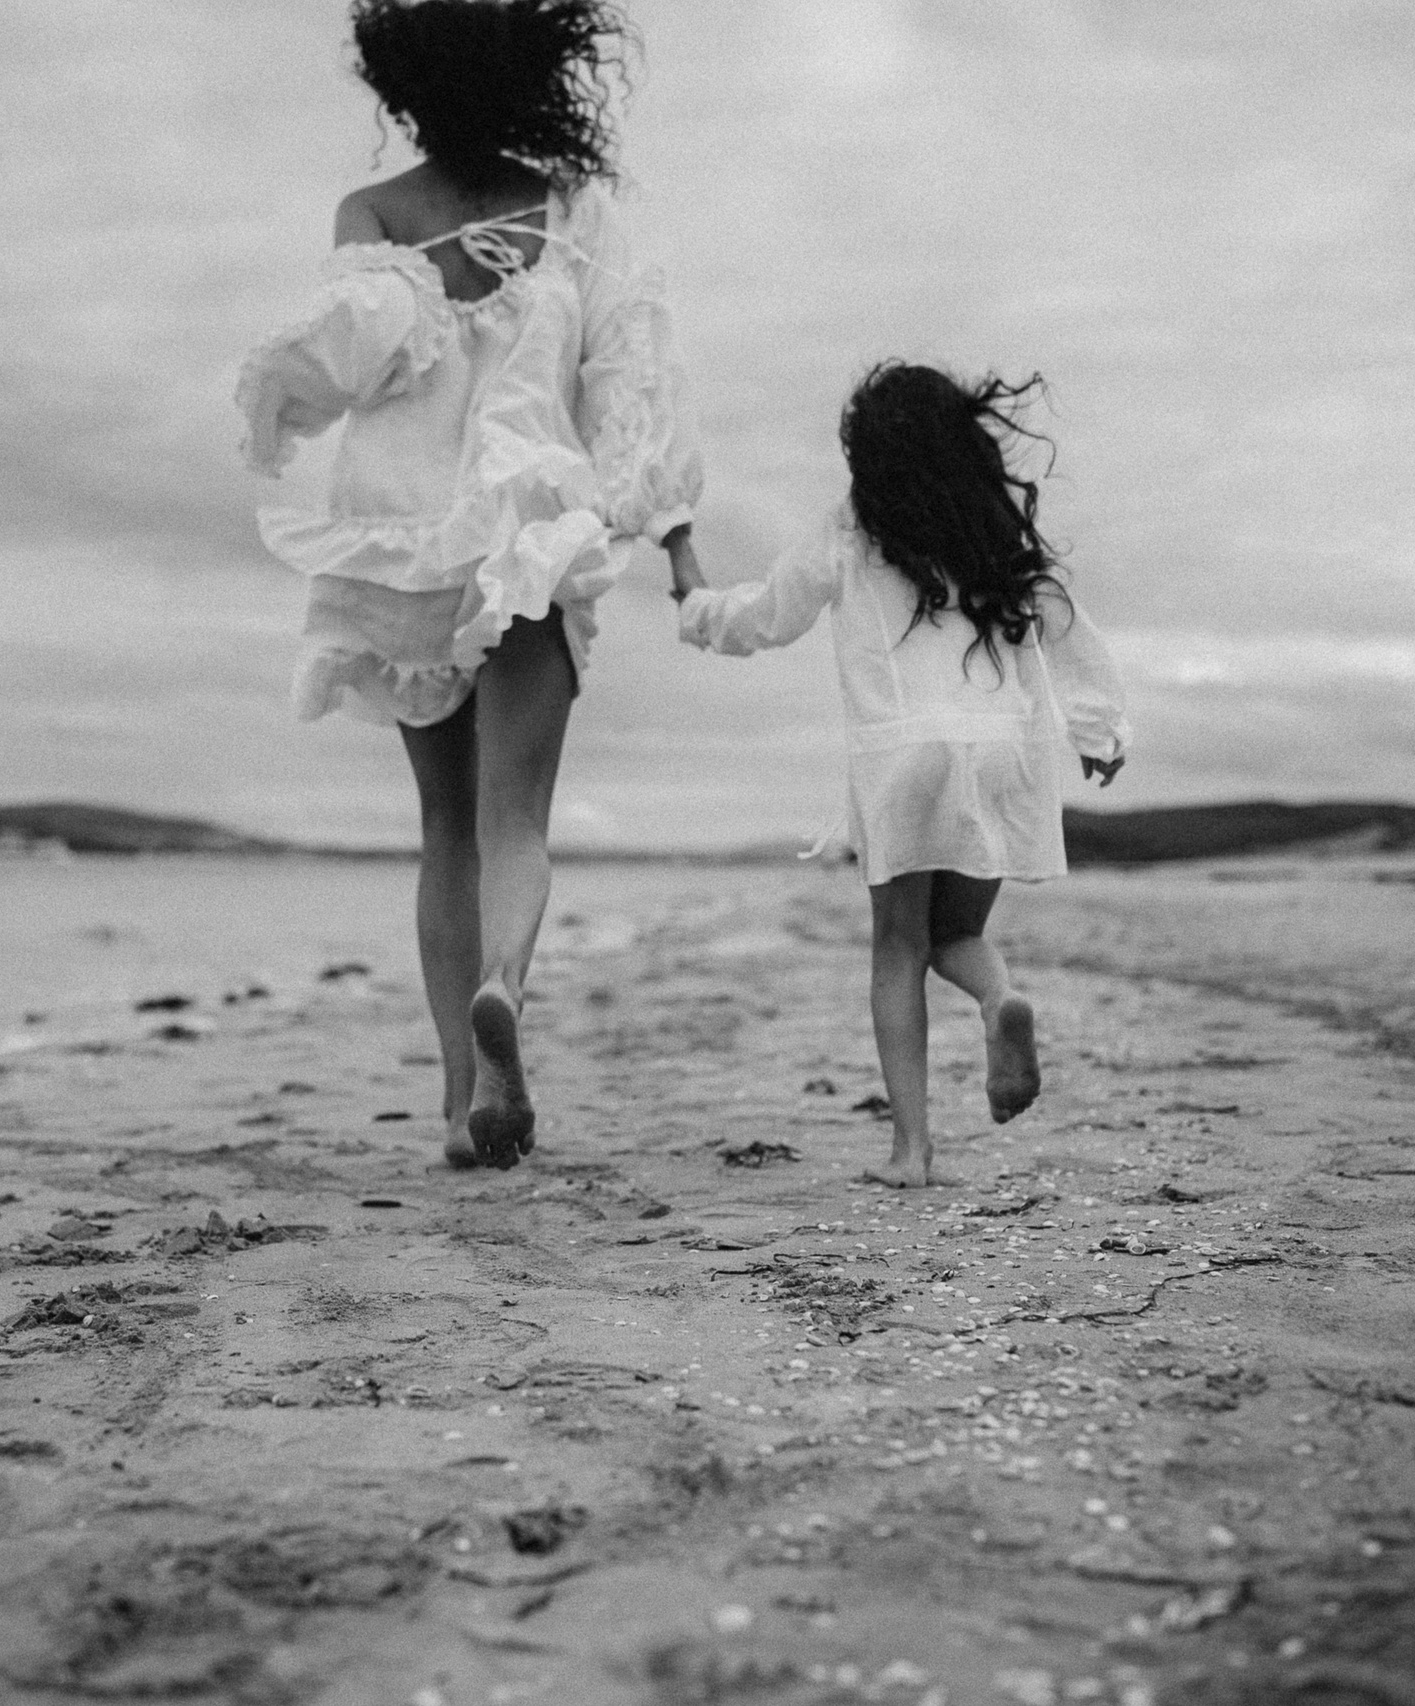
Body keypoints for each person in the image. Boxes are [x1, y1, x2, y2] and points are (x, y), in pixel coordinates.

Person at [237, 0, 704, 1170]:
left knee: (441, 825)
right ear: (533, 76)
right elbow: (629, 376)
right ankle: (505, 983)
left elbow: (357, 351)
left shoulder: (375, 212)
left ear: (406, 87)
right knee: (514, 820)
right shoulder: (572, 209)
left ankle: (459, 1101)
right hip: (531, 531)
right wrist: (638, 513)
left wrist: (297, 382)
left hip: (403, 544)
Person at [672, 363, 1127, 1187]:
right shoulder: (998, 536)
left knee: (897, 946)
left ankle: (911, 1152)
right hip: (1004, 751)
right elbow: (1069, 626)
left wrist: (696, 607)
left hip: (902, 754)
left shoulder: (851, 530)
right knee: (957, 934)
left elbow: (768, 616)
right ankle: (999, 1003)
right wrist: (1099, 730)